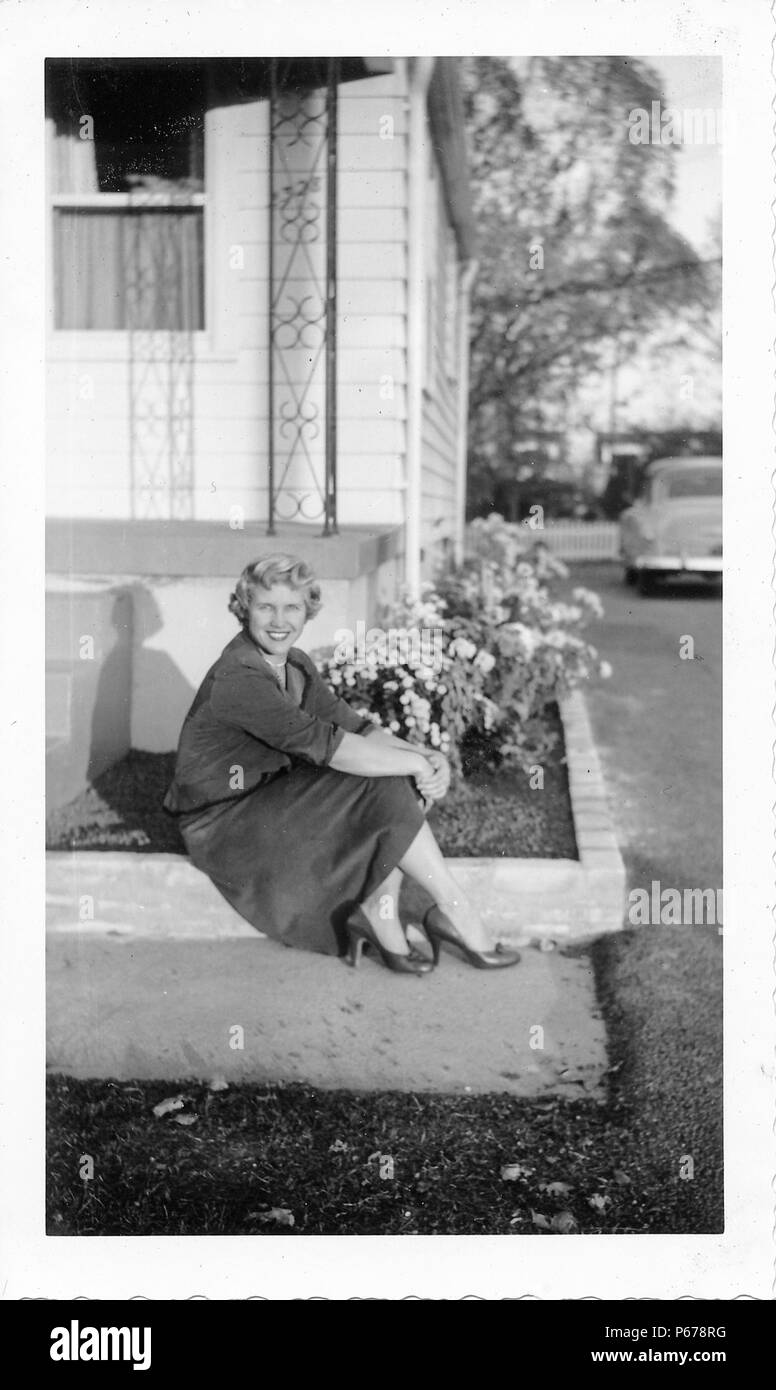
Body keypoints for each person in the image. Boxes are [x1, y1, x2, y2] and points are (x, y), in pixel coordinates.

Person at [163, 553, 520, 976]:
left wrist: (423, 755)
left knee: (393, 773)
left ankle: (384, 914)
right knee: (385, 776)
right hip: (224, 823)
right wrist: (412, 764)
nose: (280, 620)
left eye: (292, 607)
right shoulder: (239, 675)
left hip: (266, 799)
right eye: (265, 607)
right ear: (244, 609)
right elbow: (328, 746)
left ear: (308, 610)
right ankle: (453, 911)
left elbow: (354, 727)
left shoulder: (293, 663)